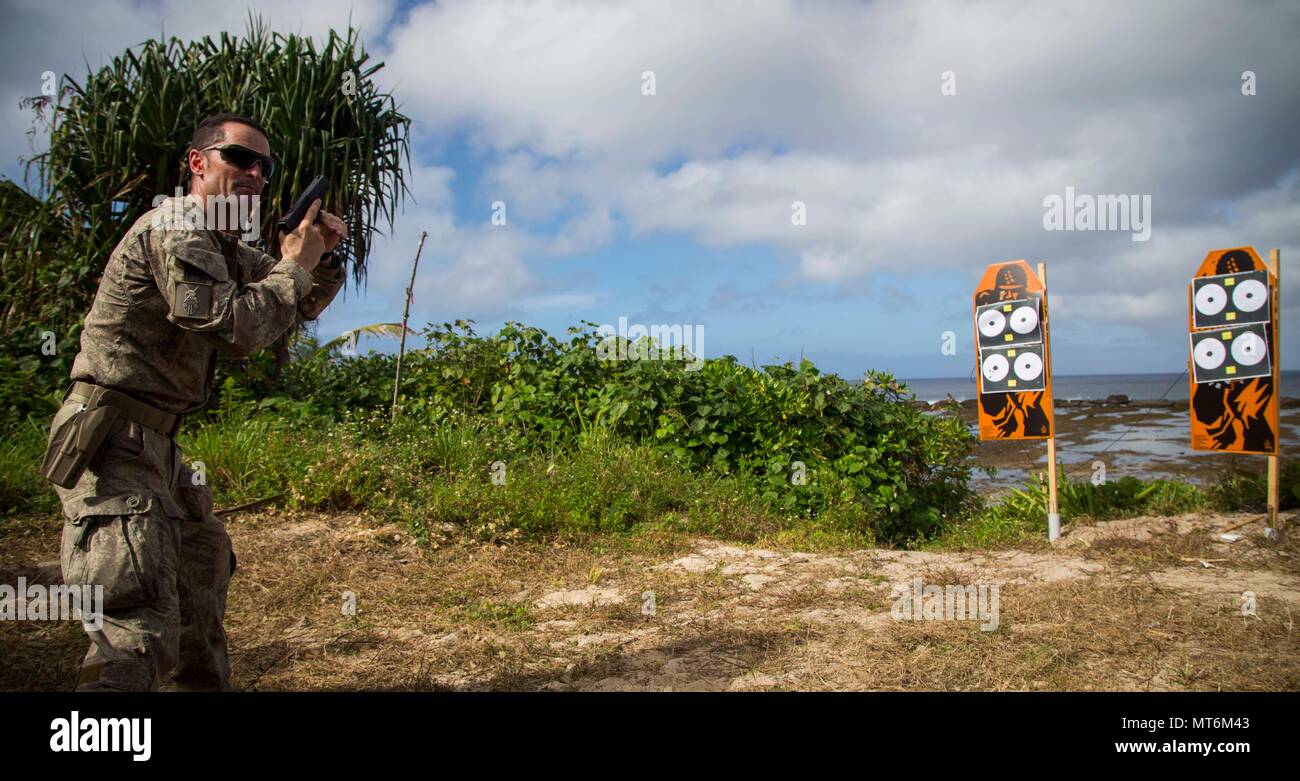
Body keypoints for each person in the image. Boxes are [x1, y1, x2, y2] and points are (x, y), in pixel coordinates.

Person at [43, 112, 348, 690]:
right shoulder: (176, 227)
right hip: (113, 438)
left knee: (200, 575)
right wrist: (293, 267)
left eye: (265, 164)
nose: (255, 173)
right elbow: (237, 328)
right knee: (135, 620)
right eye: (240, 157)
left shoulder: (223, 245)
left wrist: (321, 258)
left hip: (159, 442)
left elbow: (298, 301)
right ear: (198, 163)